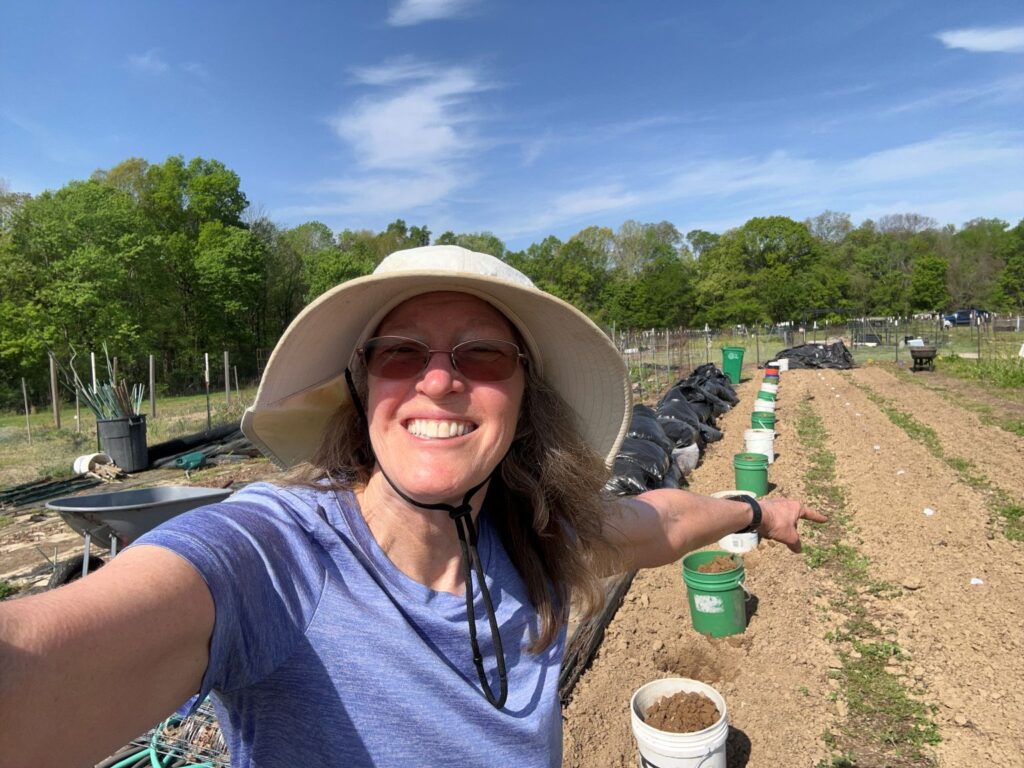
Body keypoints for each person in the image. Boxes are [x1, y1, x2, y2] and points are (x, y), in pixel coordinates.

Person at [0, 246, 825, 768]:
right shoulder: (276, 558)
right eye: (400, 352)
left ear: (524, 397)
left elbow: (665, 523)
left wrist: (755, 512)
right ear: (361, 391)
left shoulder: (534, 534)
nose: (438, 378)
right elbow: (39, 663)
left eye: (482, 353)